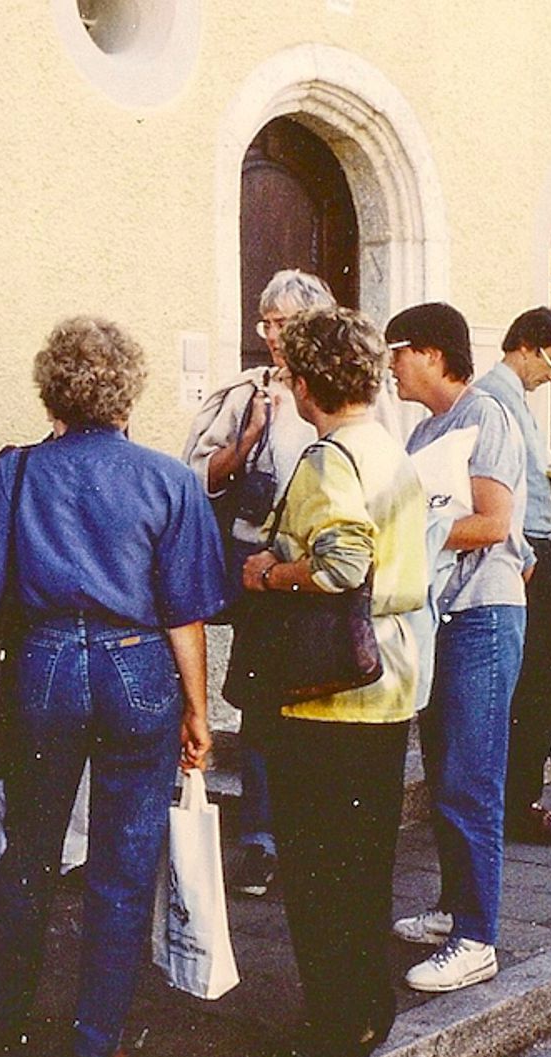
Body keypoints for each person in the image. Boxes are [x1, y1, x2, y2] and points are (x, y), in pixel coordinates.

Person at [0, 316, 226, 1057]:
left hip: (44, 660)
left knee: (30, 848)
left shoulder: (14, 471)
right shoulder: (169, 479)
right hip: (137, 665)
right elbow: (184, 613)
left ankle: (3, 1013)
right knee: (125, 853)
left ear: (52, 392)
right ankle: (97, 1038)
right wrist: (199, 710)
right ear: (127, 393)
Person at [240, 307, 427, 1057]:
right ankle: (367, 1008)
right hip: (389, 679)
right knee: (365, 863)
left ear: (307, 382)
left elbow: (342, 563)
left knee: (318, 870)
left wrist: (269, 573)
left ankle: (336, 1023)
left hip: (329, 691)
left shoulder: (329, 458)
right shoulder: (386, 446)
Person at [388, 303, 527, 993]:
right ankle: (454, 909)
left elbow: (494, 523)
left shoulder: (486, 416)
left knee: (471, 779)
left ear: (434, 354)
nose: (390, 366)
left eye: (397, 351)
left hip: (482, 617)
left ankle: (477, 939)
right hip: (443, 616)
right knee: (447, 773)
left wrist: (409, 536)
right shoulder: (425, 430)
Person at [182, 268, 333, 896]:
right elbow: (196, 477)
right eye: (266, 322)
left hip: (324, 570)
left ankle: (312, 837)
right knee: (265, 707)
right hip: (260, 574)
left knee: (322, 702)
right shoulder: (247, 393)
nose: (271, 334)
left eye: (284, 322)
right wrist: (246, 441)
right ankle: (262, 839)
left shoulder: (350, 390)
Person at [475, 308, 551, 846]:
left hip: (536, 550)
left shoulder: (517, 401)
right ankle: (518, 802)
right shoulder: (494, 400)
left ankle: (519, 799)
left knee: (539, 685)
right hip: (523, 556)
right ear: (526, 345)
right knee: (536, 687)